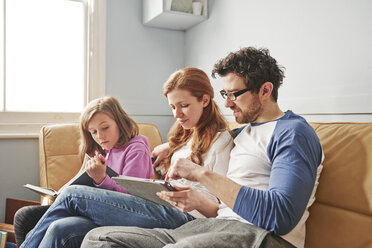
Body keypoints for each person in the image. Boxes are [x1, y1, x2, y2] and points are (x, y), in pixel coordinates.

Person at [81, 47, 324, 248]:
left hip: (262, 237)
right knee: (98, 239)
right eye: (224, 93)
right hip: (214, 226)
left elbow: (279, 217)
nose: (227, 103)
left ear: (265, 90)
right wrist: (171, 145)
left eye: (234, 94)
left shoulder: (293, 133)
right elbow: (207, 137)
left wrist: (199, 173)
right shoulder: (244, 132)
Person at [18, 67, 234, 248]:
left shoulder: (222, 141)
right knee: (62, 229)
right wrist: (171, 147)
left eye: (184, 106)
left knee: (73, 195)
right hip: (161, 203)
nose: (177, 115)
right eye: (172, 107)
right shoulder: (184, 139)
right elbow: (190, 147)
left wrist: (194, 198)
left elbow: (223, 202)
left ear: (205, 100)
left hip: (184, 216)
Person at [17, 96, 154, 247]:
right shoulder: (104, 150)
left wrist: (101, 179)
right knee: (27, 217)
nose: (100, 136)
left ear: (120, 122)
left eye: (105, 128)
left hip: (125, 215)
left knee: (59, 227)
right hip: (97, 211)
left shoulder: (136, 148)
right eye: (93, 132)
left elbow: (130, 200)